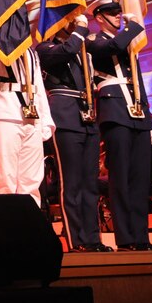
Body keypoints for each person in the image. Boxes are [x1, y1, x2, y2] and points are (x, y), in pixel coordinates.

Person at [88, 0, 152, 251]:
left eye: (119, 12)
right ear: (99, 17)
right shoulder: (94, 40)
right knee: (121, 178)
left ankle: (142, 238)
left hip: (137, 111)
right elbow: (111, 49)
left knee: (141, 179)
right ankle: (126, 239)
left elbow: (138, 79)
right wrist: (132, 26)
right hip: (115, 109)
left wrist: (148, 115)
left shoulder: (127, 42)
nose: (119, 16)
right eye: (112, 12)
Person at [37, 13, 111, 252]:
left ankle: (93, 239)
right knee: (71, 183)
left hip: (87, 117)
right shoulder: (46, 47)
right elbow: (66, 52)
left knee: (90, 183)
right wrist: (80, 30)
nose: (75, 20)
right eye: (68, 16)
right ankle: (76, 240)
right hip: (66, 116)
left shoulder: (83, 51)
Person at [0, 32, 55, 208]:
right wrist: (5, 26)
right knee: (7, 179)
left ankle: (29, 227)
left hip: (31, 116)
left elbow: (38, 85)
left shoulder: (30, 50)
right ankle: (8, 230)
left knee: (32, 180)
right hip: (4, 112)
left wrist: (45, 118)